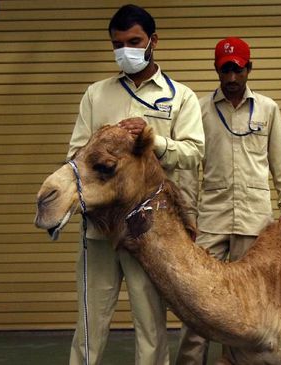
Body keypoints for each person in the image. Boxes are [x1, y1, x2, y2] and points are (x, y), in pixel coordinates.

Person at [66, 4, 204, 365]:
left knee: (151, 325)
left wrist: (154, 141)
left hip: (150, 232)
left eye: (134, 41)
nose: (124, 50)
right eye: (117, 44)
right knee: (89, 322)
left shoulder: (181, 97)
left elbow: (193, 154)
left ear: (153, 41)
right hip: (100, 228)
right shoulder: (96, 94)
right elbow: (75, 155)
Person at [175, 37, 281, 365]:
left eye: (238, 70)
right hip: (212, 219)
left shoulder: (268, 109)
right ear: (217, 70)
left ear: (249, 68)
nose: (232, 78)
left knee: (250, 304)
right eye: (225, 71)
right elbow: (190, 168)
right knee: (198, 300)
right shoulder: (200, 110)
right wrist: (188, 216)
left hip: (254, 219)